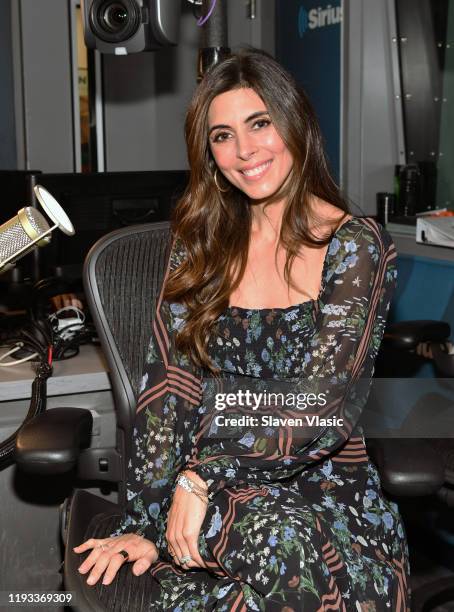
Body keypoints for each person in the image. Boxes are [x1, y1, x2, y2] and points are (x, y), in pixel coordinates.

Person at [74, 48, 411, 611]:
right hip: (212, 493)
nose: (244, 151)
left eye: (260, 123)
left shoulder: (354, 245)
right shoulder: (199, 245)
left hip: (320, 491)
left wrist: (201, 478)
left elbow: (322, 406)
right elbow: (167, 392)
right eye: (222, 135)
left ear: (294, 124)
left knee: (281, 544)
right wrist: (144, 522)